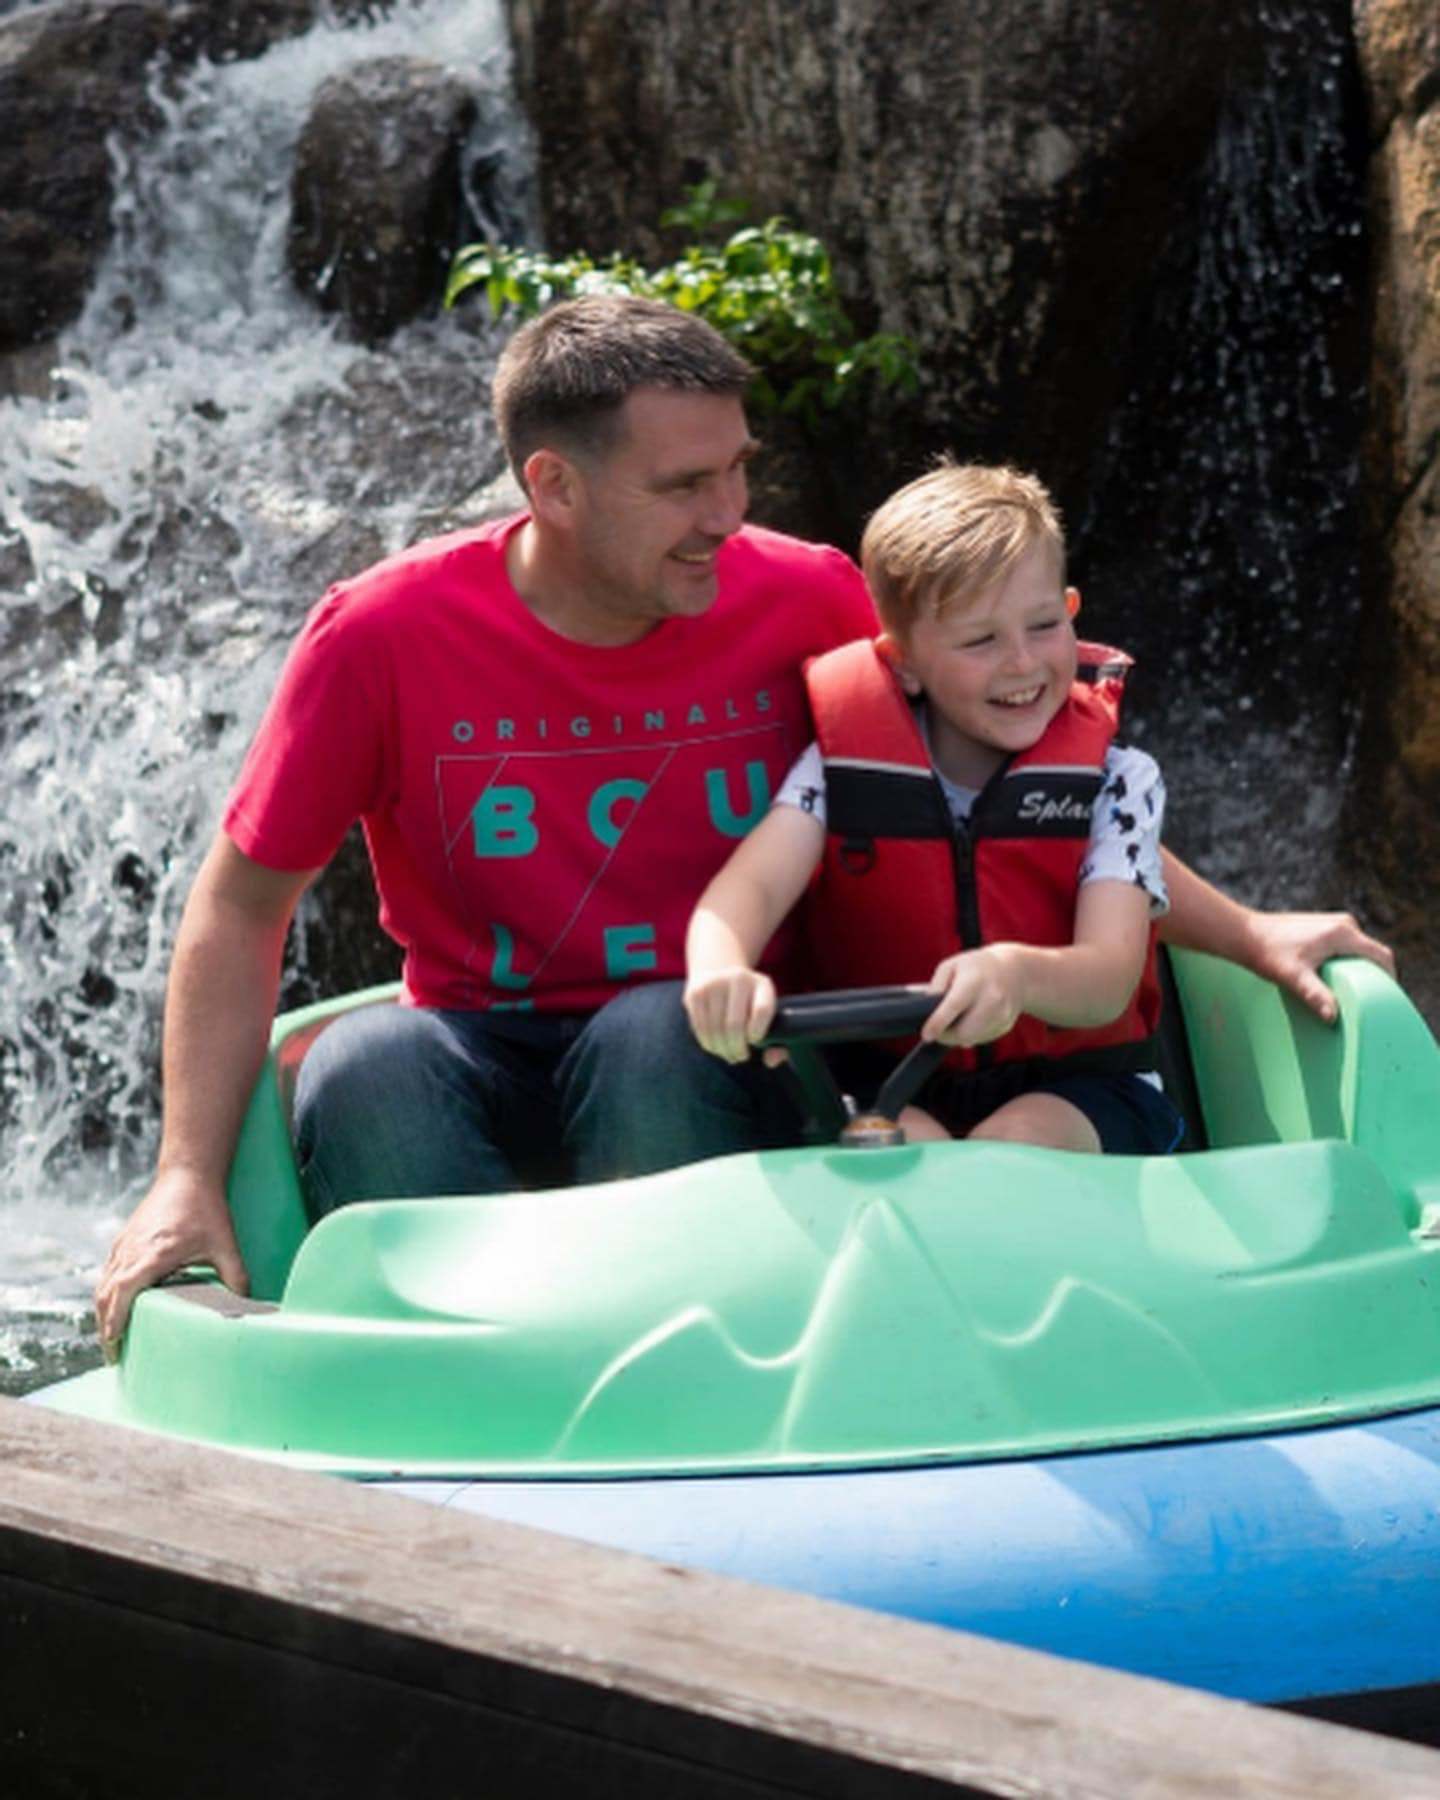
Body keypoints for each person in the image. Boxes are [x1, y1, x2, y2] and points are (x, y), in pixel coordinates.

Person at [93, 295, 1395, 1350]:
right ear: (553, 485)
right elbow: (242, 907)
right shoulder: (382, 635)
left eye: (738, 472)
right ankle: (449, 1376)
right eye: (683, 486)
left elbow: (1023, 803)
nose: (727, 515)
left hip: (733, 1047)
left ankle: (682, 1363)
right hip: (477, 1041)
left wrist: (1248, 931)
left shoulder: (808, 599)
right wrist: (184, 1176)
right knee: (360, 1063)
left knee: (656, 1032)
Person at [684, 460, 1182, 1153]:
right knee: (894, 1148)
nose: (1021, 662)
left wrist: (1016, 975)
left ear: (1071, 611)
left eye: (1042, 625)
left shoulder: (1120, 781)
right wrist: (719, 968)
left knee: (1014, 1143)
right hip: (887, 1078)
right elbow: (751, 888)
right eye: (980, 640)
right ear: (903, 661)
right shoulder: (837, 773)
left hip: (1081, 1085)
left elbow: (1107, 978)